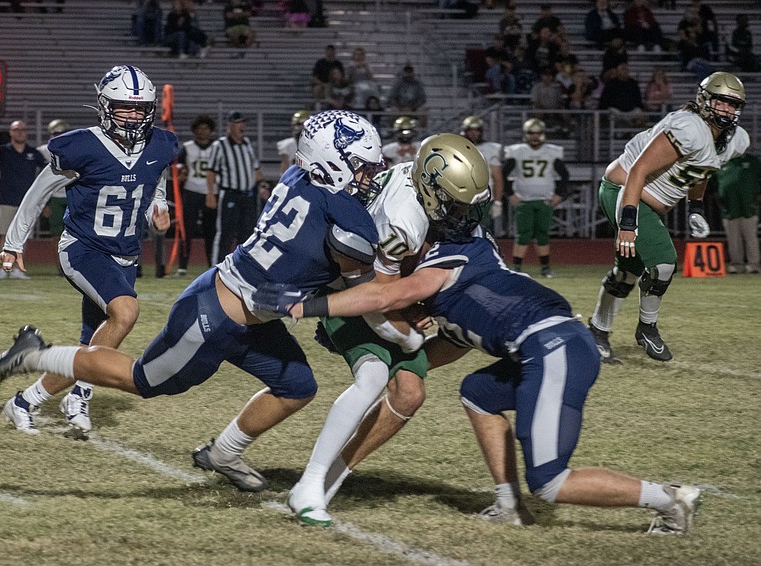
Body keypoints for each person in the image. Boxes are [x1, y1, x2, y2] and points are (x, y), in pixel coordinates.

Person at [0, 110, 385, 494]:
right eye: (362, 166)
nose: (370, 176)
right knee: (139, 379)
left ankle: (223, 454)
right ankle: (34, 355)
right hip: (213, 316)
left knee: (296, 385)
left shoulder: (298, 176)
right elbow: (368, 292)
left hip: (250, 313)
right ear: (331, 164)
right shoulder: (348, 220)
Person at [252, 207, 702, 536]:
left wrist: (304, 306)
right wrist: (394, 362)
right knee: (478, 392)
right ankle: (508, 504)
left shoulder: (441, 265)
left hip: (552, 349)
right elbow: (438, 352)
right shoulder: (472, 254)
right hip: (549, 345)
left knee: (549, 480)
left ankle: (671, 499)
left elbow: (382, 298)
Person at [286, 133, 487, 527]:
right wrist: (409, 331)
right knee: (375, 374)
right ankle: (312, 483)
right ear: (431, 190)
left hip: (379, 283)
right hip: (346, 287)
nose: (462, 215)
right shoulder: (404, 219)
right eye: (456, 205)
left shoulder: (412, 181)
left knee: (411, 392)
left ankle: (325, 475)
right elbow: (375, 295)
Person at [0, 65, 177, 435]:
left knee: (92, 344)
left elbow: (156, 180)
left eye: (141, 108)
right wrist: (14, 242)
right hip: (84, 248)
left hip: (125, 253)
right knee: (126, 313)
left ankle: (33, 400)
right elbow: (38, 192)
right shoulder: (82, 146)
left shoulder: (161, 144)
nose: (133, 115)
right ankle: (64, 392)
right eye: (124, 107)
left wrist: (161, 207)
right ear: (105, 106)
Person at [588, 72, 748, 364]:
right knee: (663, 262)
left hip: (643, 199)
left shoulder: (736, 140)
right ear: (704, 100)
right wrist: (627, 224)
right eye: (721, 102)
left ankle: (597, 331)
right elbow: (637, 171)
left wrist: (696, 206)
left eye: (733, 104)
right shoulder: (688, 127)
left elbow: (704, 167)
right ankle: (647, 327)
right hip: (623, 191)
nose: (727, 110)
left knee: (627, 272)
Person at [503, 118, 569, 277]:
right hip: (524, 200)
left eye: (538, 133)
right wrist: (510, 194)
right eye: (531, 133)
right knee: (523, 234)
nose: (535, 136)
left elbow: (564, 175)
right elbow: (504, 174)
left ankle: (545, 268)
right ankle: (517, 267)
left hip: (544, 199)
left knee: (542, 234)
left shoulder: (551, 151)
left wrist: (559, 194)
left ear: (543, 134)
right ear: (526, 134)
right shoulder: (517, 151)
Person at [0, 119, 46, 280]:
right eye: (16, 129)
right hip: (7, 199)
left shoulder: (33, 153)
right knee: (4, 234)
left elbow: (47, 169)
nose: (20, 132)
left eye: (22, 129)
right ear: (10, 132)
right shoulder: (4, 150)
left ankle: (18, 268)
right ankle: (5, 268)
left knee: (23, 237)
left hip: (27, 201)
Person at [206, 111, 263, 266]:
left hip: (248, 196)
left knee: (247, 233)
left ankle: (242, 267)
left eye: (244, 122)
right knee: (225, 233)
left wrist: (262, 186)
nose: (242, 126)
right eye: (239, 123)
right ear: (230, 125)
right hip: (230, 195)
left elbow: (255, 169)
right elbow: (211, 171)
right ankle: (217, 267)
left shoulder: (247, 144)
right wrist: (210, 193)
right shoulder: (220, 145)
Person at [177, 113, 217, 274]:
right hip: (192, 190)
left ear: (210, 130)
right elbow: (179, 167)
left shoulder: (217, 147)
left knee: (211, 231)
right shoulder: (187, 147)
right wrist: (181, 173)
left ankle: (213, 263)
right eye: (199, 129)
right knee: (187, 230)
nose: (202, 132)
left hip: (212, 191)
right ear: (194, 131)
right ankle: (182, 266)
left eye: (205, 128)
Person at [715, 153, 761, 274]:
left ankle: (754, 264)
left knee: (751, 237)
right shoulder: (721, 162)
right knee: (733, 239)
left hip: (749, 208)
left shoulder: (753, 161)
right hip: (729, 209)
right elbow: (713, 184)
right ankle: (736, 264)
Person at [460, 115, 504, 233]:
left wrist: (498, 201)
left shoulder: (490, 149)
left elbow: (497, 177)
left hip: (484, 198)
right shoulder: (458, 148)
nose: (474, 134)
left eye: (477, 130)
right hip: (462, 198)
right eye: (470, 130)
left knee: (483, 233)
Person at [36, 119, 71, 267]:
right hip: (54, 196)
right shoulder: (43, 151)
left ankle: (74, 265)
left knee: (76, 234)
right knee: (56, 234)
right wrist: (44, 202)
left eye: (62, 133)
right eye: (56, 133)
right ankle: (60, 267)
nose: (59, 136)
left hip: (72, 194)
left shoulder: (76, 148)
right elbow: (38, 179)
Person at [598, 63, 647, 129]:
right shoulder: (611, 84)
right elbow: (604, 100)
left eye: (626, 69)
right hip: (616, 111)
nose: (625, 71)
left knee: (641, 114)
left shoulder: (633, 84)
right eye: (622, 69)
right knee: (610, 113)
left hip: (631, 111)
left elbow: (638, 99)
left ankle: (636, 135)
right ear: (617, 71)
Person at [276, 110, 310, 175]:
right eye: (294, 125)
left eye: (299, 124)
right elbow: (285, 168)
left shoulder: (316, 143)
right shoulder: (287, 145)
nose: (296, 128)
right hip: (294, 178)